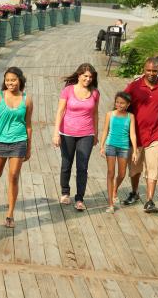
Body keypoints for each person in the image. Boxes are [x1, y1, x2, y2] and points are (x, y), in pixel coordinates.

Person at [122, 57, 158, 213]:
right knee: (135, 167)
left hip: (157, 133)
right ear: (144, 70)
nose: (151, 73)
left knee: (154, 166)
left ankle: (149, 200)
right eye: (148, 70)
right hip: (136, 135)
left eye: (154, 71)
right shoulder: (134, 87)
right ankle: (134, 192)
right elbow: (121, 104)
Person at [0, 67, 34, 228]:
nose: (10, 82)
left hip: (19, 141)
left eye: (13, 80)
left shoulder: (27, 100)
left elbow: (29, 126)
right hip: (0, 141)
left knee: (14, 176)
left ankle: (10, 214)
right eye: (7, 80)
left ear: (20, 80)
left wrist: (29, 147)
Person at [53, 63, 100, 211]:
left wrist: (96, 133)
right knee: (66, 164)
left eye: (90, 77)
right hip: (67, 133)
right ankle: (65, 192)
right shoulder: (68, 90)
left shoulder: (95, 93)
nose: (88, 79)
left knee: (82, 166)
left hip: (86, 133)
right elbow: (60, 111)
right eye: (85, 76)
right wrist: (56, 133)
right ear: (79, 75)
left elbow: (95, 114)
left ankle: (80, 198)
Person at [98, 92, 137, 213]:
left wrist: (135, 151)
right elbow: (105, 130)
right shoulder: (110, 114)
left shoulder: (130, 116)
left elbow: (132, 134)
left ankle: (115, 189)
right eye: (117, 102)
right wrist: (102, 145)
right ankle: (110, 204)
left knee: (121, 174)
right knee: (110, 173)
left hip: (124, 147)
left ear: (128, 104)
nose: (119, 105)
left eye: (122, 103)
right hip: (111, 145)